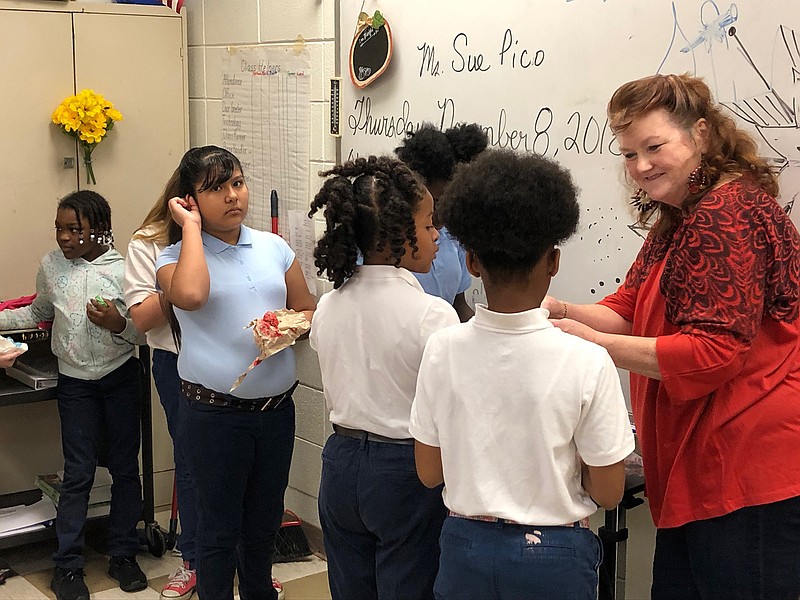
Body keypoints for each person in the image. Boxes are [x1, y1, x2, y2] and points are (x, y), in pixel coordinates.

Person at [543, 73, 800, 600]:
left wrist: (590, 343)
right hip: (703, 466)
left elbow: (714, 353)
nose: (640, 167)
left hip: (746, 471)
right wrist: (559, 309)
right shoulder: (682, 216)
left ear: (701, 134)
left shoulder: (729, 213)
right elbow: (629, 308)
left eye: (654, 147)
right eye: (628, 153)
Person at [409, 148, 634, 600]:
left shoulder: (442, 348)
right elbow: (609, 491)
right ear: (553, 260)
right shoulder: (587, 359)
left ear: (472, 263)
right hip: (554, 556)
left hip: (464, 549)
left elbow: (429, 472)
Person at [155, 145, 316, 600]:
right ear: (189, 199)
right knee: (217, 531)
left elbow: (307, 310)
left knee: (263, 526)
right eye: (216, 188)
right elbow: (190, 295)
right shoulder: (171, 258)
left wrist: (284, 326)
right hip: (214, 417)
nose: (232, 196)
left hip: (274, 412)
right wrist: (190, 229)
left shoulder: (273, 246)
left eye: (238, 183)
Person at [308, 155, 459, 600]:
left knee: (350, 588)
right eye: (429, 225)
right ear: (399, 233)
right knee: (409, 585)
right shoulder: (431, 315)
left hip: (340, 463)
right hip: (405, 471)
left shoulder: (329, 305)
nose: (436, 236)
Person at [0, 190, 146, 600]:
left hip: (119, 378)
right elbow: (39, 313)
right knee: (78, 472)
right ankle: (67, 566)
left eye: (74, 229)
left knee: (124, 467)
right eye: (60, 229)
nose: (64, 238)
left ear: (100, 231)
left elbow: (145, 328)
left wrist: (119, 324)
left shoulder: (124, 269)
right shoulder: (51, 266)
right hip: (75, 384)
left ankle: (123, 553)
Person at [123, 170, 200, 600]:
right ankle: (192, 561)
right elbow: (141, 318)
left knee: (232, 463)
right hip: (176, 363)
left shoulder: (233, 237)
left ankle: (243, 559)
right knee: (190, 462)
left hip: (229, 361)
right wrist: (177, 278)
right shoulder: (148, 242)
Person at [395, 122, 488, 321]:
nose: (442, 213)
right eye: (436, 203)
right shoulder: (387, 242)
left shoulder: (452, 237)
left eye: (450, 201)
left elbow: (458, 305)